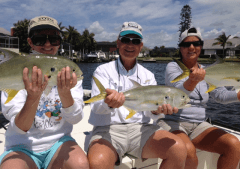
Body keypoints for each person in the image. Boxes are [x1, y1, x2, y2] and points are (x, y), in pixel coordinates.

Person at [87, 21, 187, 169]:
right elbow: (96, 108)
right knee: (97, 162)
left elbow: (152, 113)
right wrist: (109, 103)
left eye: (136, 41)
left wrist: (156, 110)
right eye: (126, 40)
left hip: (142, 129)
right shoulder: (103, 71)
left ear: (141, 46)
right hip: (108, 129)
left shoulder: (148, 75)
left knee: (178, 149)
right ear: (118, 43)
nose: (130, 45)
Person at [0, 16, 89, 169]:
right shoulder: (19, 70)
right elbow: (21, 127)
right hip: (21, 146)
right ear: (30, 42)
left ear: (59, 41)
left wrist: (65, 94)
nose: (47, 44)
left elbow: (75, 119)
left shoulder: (68, 73)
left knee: (80, 164)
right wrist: (32, 97)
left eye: (53, 39)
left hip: (59, 142)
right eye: (40, 39)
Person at [157, 27, 240, 169]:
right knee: (188, 152)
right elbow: (177, 92)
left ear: (200, 47)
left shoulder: (207, 71)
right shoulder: (173, 67)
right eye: (186, 44)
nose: (191, 47)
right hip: (174, 122)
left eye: (196, 44)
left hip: (199, 125)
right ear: (180, 48)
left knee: (233, 145)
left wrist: (238, 95)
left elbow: (221, 95)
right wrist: (193, 80)